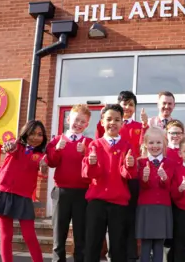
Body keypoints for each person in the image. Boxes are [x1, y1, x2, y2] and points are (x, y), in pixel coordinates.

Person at [0, 120, 48, 262]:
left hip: (24, 196)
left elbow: (43, 171)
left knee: (29, 236)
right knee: (6, 236)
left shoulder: (40, 155)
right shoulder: (17, 145)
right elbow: (9, 148)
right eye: (32, 133)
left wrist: (44, 166)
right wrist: (8, 146)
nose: (36, 137)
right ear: (25, 134)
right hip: (5, 192)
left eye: (40, 134)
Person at [82, 104, 137, 262]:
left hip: (119, 203)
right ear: (102, 122)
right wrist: (91, 163)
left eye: (117, 120)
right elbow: (89, 174)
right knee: (93, 244)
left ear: (122, 123)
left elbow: (129, 175)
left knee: (118, 245)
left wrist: (130, 164)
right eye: (109, 119)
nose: (113, 123)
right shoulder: (94, 145)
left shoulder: (127, 146)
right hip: (97, 201)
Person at [46, 104, 92, 262]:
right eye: (75, 120)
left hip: (83, 193)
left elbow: (95, 168)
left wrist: (86, 153)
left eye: (82, 122)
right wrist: (57, 149)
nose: (78, 124)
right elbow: (51, 162)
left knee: (81, 236)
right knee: (59, 236)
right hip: (62, 192)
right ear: (68, 119)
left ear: (87, 125)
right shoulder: (57, 140)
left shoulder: (90, 143)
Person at [136, 127, 175, 262]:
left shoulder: (169, 163)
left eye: (158, 142)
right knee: (146, 243)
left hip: (162, 206)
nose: (155, 146)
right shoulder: (140, 162)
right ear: (146, 144)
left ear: (164, 143)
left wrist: (165, 179)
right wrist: (145, 179)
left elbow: (169, 187)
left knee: (159, 243)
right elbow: (140, 186)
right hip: (146, 206)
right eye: (151, 143)